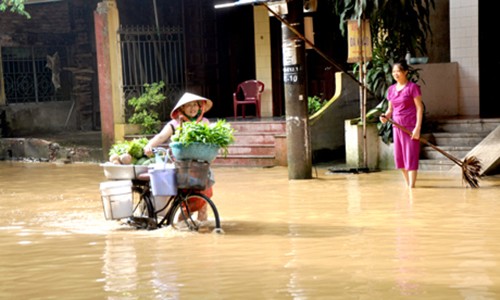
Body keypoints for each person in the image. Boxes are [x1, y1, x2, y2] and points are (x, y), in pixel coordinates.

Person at [144, 92, 214, 220]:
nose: (192, 108)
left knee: (204, 203)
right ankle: (179, 227)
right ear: (182, 108)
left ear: (200, 106)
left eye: (195, 105)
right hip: (183, 168)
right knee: (186, 205)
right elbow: (161, 137)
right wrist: (149, 145)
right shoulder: (174, 124)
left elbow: (211, 141)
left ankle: (203, 230)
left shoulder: (204, 122)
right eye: (188, 106)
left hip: (201, 166)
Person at [380, 60, 424, 188]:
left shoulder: (412, 88)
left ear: (405, 72)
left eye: (398, 71)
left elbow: (419, 108)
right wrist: (385, 117)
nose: (395, 74)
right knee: (400, 159)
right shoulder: (391, 90)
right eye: (393, 72)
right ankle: (409, 185)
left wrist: (417, 128)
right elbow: (390, 109)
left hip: (410, 127)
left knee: (410, 157)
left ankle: (412, 187)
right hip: (396, 127)